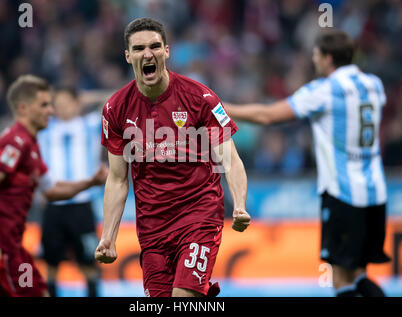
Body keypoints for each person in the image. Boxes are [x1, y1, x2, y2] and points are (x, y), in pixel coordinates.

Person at [224, 28, 390, 297]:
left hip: (343, 194)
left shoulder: (324, 90)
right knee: (360, 274)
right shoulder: (374, 84)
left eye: (316, 55)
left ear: (327, 58)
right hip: (376, 193)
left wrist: (219, 107)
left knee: (340, 280)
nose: (314, 60)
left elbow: (267, 115)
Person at [94, 17, 251, 297]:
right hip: (152, 229)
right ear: (128, 56)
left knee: (183, 298)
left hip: (199, 216)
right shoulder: (115, 109)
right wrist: (108, 236)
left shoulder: (200, 98)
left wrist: (239, 204)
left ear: (166, 51)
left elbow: (231, 159)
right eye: (139, 48)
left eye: (155, 46)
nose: (148, 54)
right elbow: (118, 180)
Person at [0, 75, 108, 297]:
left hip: (18, 244)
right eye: (45, 105)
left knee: (40, 290)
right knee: (34, 286)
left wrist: (90, 182)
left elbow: (52, 190)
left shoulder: (33, 147)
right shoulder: (16, 141)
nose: (52, 111)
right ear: (25, 108)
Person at [37, 87, 105, 297]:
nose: (62, 107)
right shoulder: (44, 128)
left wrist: (88, 97)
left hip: (82, 205)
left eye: (67, 102)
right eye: (57, 103)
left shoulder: (91, 124)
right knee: (51, 265)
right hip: (54, 204)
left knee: (89, 262)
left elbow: (118, 100)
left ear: (76, 103)